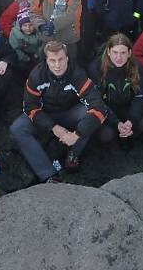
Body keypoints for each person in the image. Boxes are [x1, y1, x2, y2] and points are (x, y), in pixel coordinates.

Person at [10, 41, 107, 181]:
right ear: (46, 61)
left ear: (67, 58)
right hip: (45, 114)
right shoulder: (36, 76)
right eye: (52, 60)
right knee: (17, 128)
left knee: (92, 114)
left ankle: (74, 154)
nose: (57, 65)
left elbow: (98, 106)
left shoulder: (77, 74)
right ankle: (48, 174)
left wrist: (78, 133)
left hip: (70, 113)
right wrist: (53, 127)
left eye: (61, 59)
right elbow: (30, 106)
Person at [90, 34, 143, 148]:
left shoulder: (137, 67)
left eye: (123, 53)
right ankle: (118, 136)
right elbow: (96, 101)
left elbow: (141, 96)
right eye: (115, 52)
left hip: (127, 107)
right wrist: (115, 122)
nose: (119, 57)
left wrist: (131, 121)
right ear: (108, 51)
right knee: (106, 135)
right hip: (107, 110)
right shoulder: (96, 68)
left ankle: (127, 133)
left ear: (129, 53)